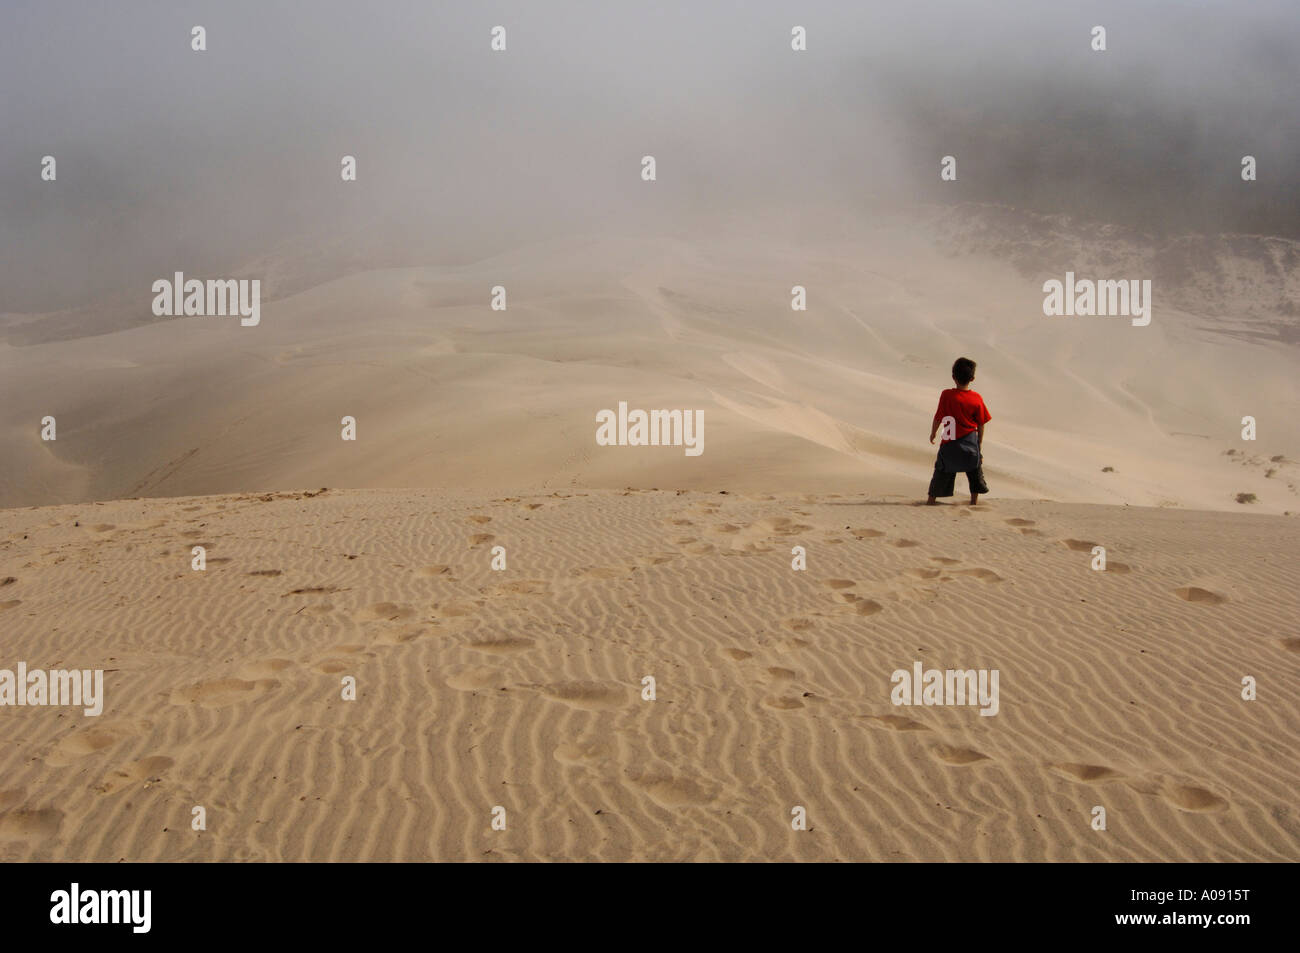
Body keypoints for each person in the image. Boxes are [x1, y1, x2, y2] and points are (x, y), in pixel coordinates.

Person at [926, 357, 991, 505]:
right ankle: (974, 501)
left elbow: (938, 416)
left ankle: (931, 500)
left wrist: (933, 432)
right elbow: (981, 422)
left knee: (941, 471)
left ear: (953, 377)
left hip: (949, 444)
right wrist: (979, 442)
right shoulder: (976, 398)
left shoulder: (946, 395)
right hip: (970, 443)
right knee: (975, 471)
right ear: (972, 378)